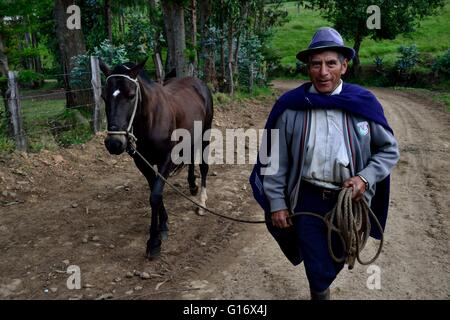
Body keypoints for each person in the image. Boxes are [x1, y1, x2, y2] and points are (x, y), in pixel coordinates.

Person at [249, 27, 400, 300]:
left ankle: (322, 286)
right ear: (308, 67)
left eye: (331, 63)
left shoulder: (362, 104)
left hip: (349, 202)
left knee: (339, 254)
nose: (323, 72)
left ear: (344, 66)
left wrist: (364, 178)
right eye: (315, 64)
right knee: (316, 267)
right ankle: (320, 293)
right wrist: (277, 202)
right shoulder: (292, 107)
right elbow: (274, 160)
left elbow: (388, 150)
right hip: (306, 199)